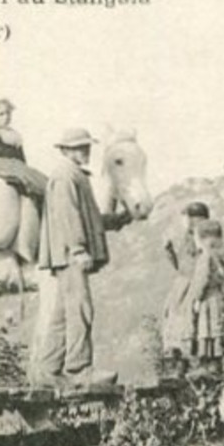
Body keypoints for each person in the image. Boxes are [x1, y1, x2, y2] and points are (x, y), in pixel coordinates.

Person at [31, 127, 132, 387]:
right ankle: (79, 370)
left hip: (65, 257)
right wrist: (78, 249)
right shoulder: (66, 176)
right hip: (70, 256)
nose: (85, 152)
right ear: (65, 150)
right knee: (80, 310)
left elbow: (87, 217)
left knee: (62, 314)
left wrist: (118, 219)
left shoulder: (72, 175)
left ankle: (48, 370)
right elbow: (68, 215)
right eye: (79, 148)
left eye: (86, 147)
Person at [160, 201, 209, 374]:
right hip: (181, 284)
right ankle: (175, 360)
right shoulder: (189, 238)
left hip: (190, 284)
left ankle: (185, 363)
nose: (185, 221)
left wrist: (196, 291)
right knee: (172, 320)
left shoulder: (202, 238)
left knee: (186, 324)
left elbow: (201, 266)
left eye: (187, 217)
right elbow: (180, 265)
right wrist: (169, 251)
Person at [0, 98, 48, 199]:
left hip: (16, 169)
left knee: (39, 180)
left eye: (8, 113)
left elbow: (22, 160)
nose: (6, 117)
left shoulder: (15, 136)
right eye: (1, 114)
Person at [189, 218, 224, 376]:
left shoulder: (205, 257)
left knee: (207, 330)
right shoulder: (218, 257)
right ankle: (215, 364)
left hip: (208, 299)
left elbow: (202, 279)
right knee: (216, 328)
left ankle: (208, 365)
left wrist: (197, 299)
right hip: (218, 297)